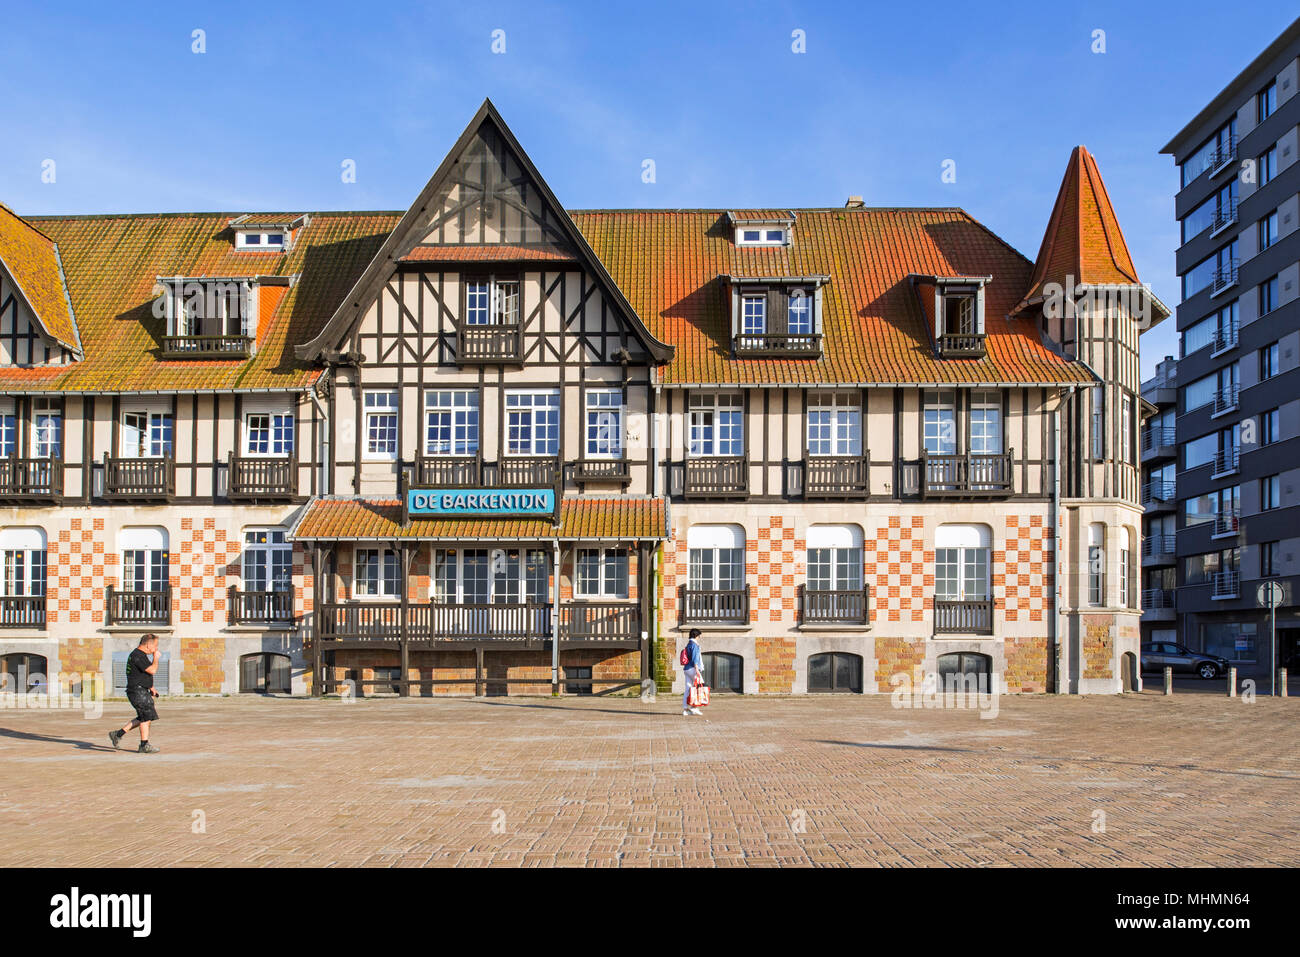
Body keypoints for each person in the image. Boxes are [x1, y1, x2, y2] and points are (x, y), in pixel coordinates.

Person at [108, 634, 161, 754]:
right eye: (156, 646)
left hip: (141, 690)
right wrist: (156, 658)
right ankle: (144, 745)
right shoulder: (137, 656)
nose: (156, 649)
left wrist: (151, 687)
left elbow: (142, 674)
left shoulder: (140, 655)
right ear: (149, 645)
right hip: (137, 691)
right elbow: (152, 670)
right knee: (146, 717)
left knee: (145, 716)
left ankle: (117, 734)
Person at [682, 628, 703, 716]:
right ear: (696, 635)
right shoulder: (694, 645)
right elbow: (695, 658)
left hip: (686, 669)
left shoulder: (688, 644)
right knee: (699, 687)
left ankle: (685, 709)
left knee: (688, 688)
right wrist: (697, 670)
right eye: (699, 635)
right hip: (693, 668)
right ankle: (694, 707)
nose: (700, 637)